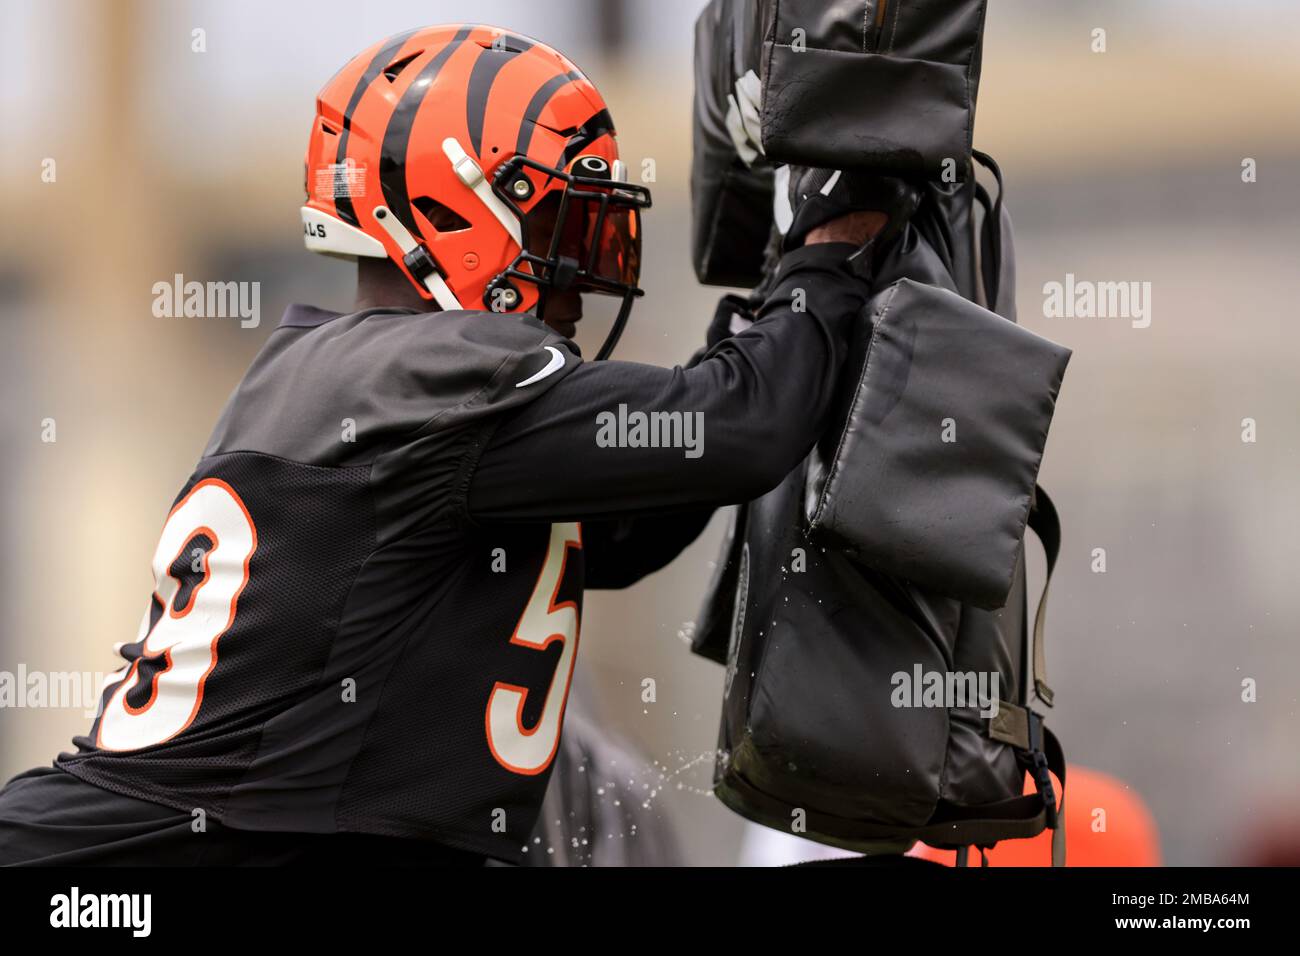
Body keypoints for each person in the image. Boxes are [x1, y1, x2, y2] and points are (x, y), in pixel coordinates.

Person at [0, 23, 889, 866]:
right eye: (556, 230)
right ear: (451, 210)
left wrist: (773, 308)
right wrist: (824, 254)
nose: (579, 274)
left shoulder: (368, 382)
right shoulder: (430, 370)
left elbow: (643, 513)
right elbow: (737, 429)